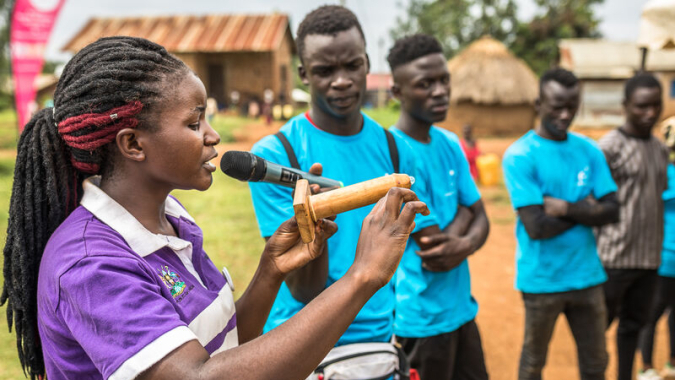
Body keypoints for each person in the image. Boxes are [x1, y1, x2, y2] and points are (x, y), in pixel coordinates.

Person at [1, 36, 429, 380]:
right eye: (194, 123)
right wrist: (362, 277)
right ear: (132, 144)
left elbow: (220, 347)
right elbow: (196, 375)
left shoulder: (173, 219)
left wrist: (269, 273)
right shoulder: (90, 264)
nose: (212, 136)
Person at [247, 5, 436, 374]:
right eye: (324, 71)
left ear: (367, 62)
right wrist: (313, 222)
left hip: (379, 341)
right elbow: (302, 289)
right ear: (303, 74)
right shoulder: (276, 157)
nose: (342, 80)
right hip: (303, 346)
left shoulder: (399, 151)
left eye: (352, 65)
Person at [502, 68, 619, 380]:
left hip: (588, 277)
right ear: (538, 104)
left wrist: (564, 207)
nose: (566, 114)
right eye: (557, 106)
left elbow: (613, 211)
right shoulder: (520, 155)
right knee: (533, 364)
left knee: (596, 364)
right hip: (542, 281)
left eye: (572, 105)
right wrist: (586, 211)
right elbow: (536, 227)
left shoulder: (589, 149)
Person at [386, 34, 490, 380]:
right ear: (397, 92)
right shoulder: (393, 152)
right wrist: (466, 216)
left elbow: (482, 215)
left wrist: (465, 238)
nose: (440, 90)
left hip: (461, 310)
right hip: (420, 320)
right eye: (424, 84)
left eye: (444, 80)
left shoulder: (449, 141)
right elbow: (433, 249)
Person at [596, 73, 670, 380]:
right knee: (597, 330)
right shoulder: (608, 148)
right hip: (613, 258)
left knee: (632, 328)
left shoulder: (660, 148)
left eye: (655, 105)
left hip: (649, 258)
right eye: (641, 107)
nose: (649, 113)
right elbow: (593, 200)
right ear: (626, 105)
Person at [638, 123, 675, 380]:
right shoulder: (661, 174)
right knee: (652, 312)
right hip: (663, 256)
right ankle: (646, 367)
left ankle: (671, 362)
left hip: (666, 255)